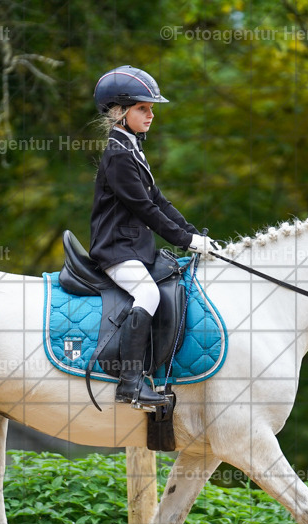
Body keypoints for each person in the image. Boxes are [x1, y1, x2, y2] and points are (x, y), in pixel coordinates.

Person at [90, 65, 218, 409]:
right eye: (142, 108)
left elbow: (159, 200)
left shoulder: (131, 149)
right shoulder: (117, 155)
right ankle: (130, 384)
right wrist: (184, 241)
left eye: (151, 108)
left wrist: (191, 232)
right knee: (147, 294)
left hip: (133, 247)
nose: (150, 115)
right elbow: (144, 208)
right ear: (120, 112)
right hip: (116, 248)